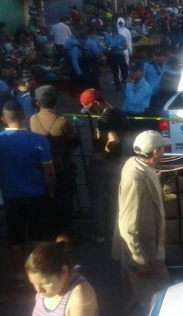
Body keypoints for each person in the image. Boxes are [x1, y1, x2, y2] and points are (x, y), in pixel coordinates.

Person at [114, 131, 170, 315]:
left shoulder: (140, 165)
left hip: (150, 245)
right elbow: (127, 225)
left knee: (144, 295)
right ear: (155, 152)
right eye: (162, 148)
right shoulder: (135, 178)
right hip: (144, 249)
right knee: (153, 297)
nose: (164, 151)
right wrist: (139, 260)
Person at [0, 101, 55, 282]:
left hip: (10, 197)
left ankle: (18, 275)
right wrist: (51, 191)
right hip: (36, 195)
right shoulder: (39, 140)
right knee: (38, 237)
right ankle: (39, 274)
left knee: (15, 238)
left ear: (3, 120)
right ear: (24, 116)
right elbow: (48, 172)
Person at [80, 89, 129, 244]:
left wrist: (103, 154)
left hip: (104, 163)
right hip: (117, 163)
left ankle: (100, 233)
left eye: (90, 108)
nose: (91, 112)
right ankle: (116, 232)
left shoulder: (104, 119)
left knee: (98, 200)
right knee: (116, 199)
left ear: (96, 103)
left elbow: (113, 140)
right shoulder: (120, 113)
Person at [30, 86, 79, 239]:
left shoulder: (33, 119)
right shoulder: (62, 121)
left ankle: (52, 230)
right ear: (55, 101)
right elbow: (74, 141)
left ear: (37, 103)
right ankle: (65, 233)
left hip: (43, 168)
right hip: (63, 167)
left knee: (49, 200)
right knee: (65, 202)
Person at [26, 236, 98, 316]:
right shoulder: (44, 291)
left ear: (64, 272)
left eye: (45, 283)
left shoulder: (81, 296)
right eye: (34, 283)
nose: (39, 291)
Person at [123, 61, 152, 131]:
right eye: (130, 70)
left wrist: (129, 85)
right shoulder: (132, 82)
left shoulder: (145, 87)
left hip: (139, 116)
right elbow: (127, 100)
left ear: (141, 72)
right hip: (128, 114)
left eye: (135, 71)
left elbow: (133, 100)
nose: (131, 73)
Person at [105, 26, 128, 91]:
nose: (114, 33)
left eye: (115, 32)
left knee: (124, 71)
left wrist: (120, 47)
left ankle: (126, 83)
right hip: (112, 56)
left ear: (117, 31)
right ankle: (117, 86)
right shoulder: (108, 38)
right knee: (115, 72)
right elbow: (106, 46)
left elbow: (125, 47)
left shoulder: (122, 37)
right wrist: (110, 47)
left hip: (120, 55)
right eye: (113, 32)